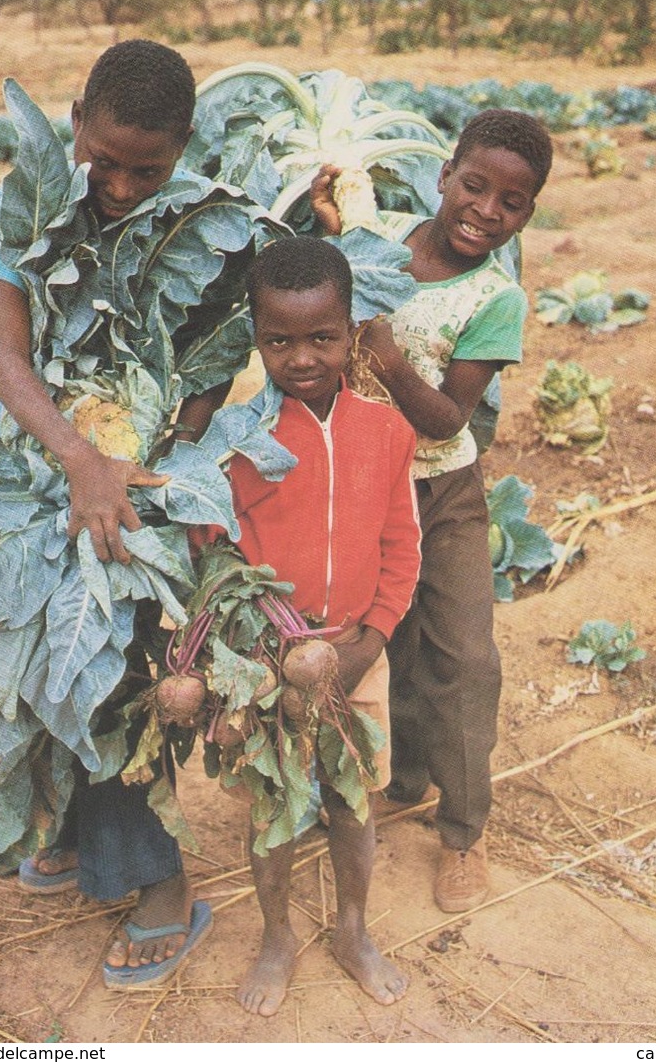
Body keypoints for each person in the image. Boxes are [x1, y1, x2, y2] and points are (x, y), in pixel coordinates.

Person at [0, 39, 240, 984]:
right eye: (106, 159)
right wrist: (82, 455)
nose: (123, 185)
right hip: (54, 455)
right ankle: (77, 834)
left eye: (150, 168)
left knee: (120, 666)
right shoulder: (24, 204)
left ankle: (161, 882)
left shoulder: (204, 216)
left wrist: (160, 445)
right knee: (36, 649)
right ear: (77, 117)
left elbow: (214, 354)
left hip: (145, 474)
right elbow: (9, 363)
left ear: (183, 148)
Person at [310, 108, 554, 913]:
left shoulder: (496, 297)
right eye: (474, 186)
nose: (486, 210)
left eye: (511, 203)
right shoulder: (380, 242)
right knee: (389, 639)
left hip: (441, 490)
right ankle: (400, 778)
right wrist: (326, 222)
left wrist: (381, 352)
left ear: (527, 213)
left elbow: (450, 417)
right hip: (364, 484)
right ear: (443, 175)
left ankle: (463, 829)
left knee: (463, 654)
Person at [188, 235, 421, 1015]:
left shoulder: (387, 432)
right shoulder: (237, 440)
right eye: (278, 340)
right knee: (276, 803)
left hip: (358, 646)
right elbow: (214, 549)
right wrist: (253, 643)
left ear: (352, 331)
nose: (302, 358)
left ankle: (352, 928)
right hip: (268, 660)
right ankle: (277, 934)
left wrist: (373, 639)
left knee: (354, 799)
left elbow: (402, 545)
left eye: (322, 337)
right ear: (255, 338)